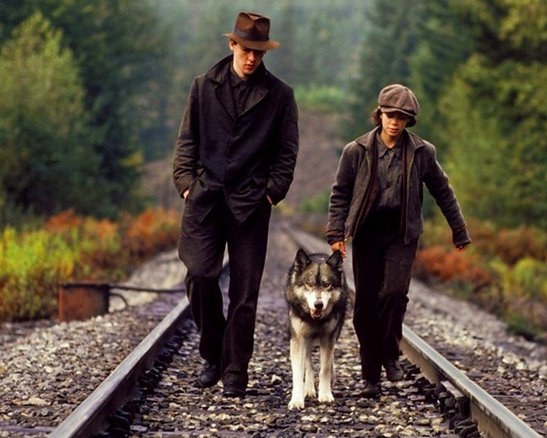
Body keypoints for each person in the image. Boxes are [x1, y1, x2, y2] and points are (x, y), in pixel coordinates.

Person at [172, 11, 299, 398]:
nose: (252, 59)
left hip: (251, 206)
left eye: (259, 53)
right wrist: (186, 186)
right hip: (205, 200)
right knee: (199, 276)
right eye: (246, 50)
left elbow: (287, 153)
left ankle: (234, 370)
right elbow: (186, 143)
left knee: (245, 295)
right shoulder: (203, 86)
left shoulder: (280, 95)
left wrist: (271, 193)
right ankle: (213, 352)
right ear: (232, 45)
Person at [326, 84, 471, 398]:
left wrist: (458, 229)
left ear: (409, 121)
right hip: (366, 234)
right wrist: (336, 233)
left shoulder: (421, 152)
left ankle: (389, 355)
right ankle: (370, 376)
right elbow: (340, 193)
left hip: (401, 234)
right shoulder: (356, 150)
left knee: (393, 294)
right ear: (379, 114)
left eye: (401, 118)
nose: (394, 122)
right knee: (365, 305)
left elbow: (442, 191)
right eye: (390, 115)